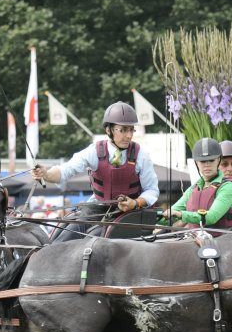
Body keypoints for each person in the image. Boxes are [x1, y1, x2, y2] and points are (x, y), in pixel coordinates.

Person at [31, 101, 159, 240]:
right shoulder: (94, 151)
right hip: (97, 207)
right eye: (122, 130)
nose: (128, 135)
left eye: (131, 130)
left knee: (91, 241)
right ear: (108, 130)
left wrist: (135, 203)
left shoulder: (141, 156)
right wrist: (46, 174)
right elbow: (65, 170)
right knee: (60, 239)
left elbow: (152, 190)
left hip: (129, 214)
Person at [164, 137, 232, 230]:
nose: (207, 165)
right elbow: (171, 212)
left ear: (218, 160)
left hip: (221, 240)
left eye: (211, 160)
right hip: (193, 238)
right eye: (202, 161)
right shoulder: (194, 188)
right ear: (196, 163)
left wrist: (180, 214)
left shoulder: (228, 186)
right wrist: (151, 215)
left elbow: (211, 217)